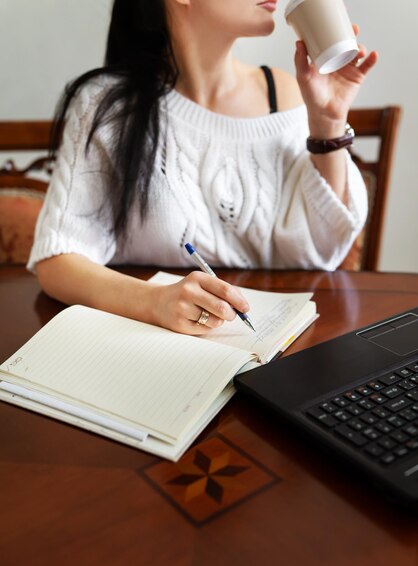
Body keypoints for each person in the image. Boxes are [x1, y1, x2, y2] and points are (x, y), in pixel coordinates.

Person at [28, 0, 378, 335]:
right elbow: (58, 260)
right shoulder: (107, 106)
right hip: (153, 348)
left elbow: (327, 250)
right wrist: (155, 302)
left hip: (282, 350)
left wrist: (328, 121)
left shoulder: (287, 96)